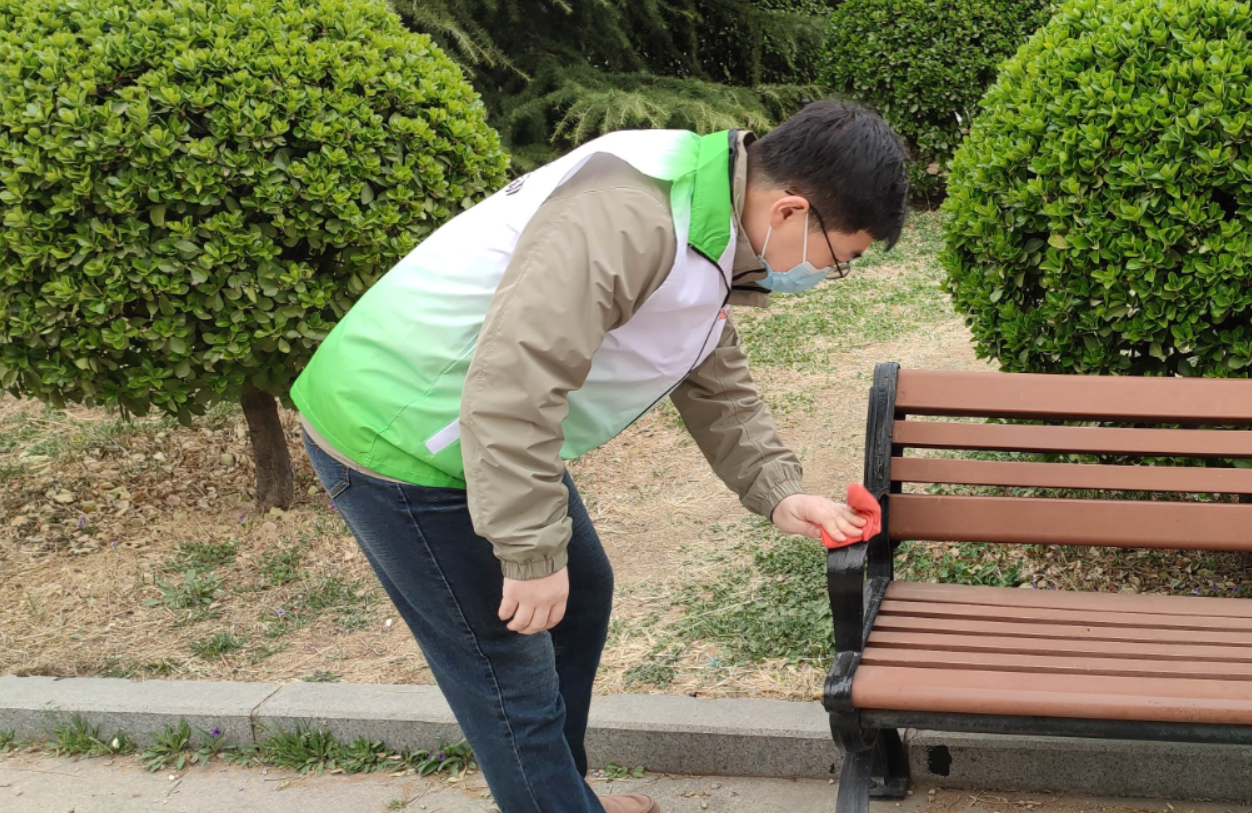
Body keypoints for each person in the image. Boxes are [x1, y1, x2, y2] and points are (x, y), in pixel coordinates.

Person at [290, 100, 909, 813]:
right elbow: (515, 380)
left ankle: (561, 794)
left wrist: (779, 490)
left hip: (478, 436)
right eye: (840, 260)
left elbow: (710, 370)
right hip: (396, 436)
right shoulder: (630, 219)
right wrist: (529, 551)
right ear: (791, 212)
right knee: (510, 671)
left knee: (579, 599)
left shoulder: (713, 217)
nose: (828, 276)